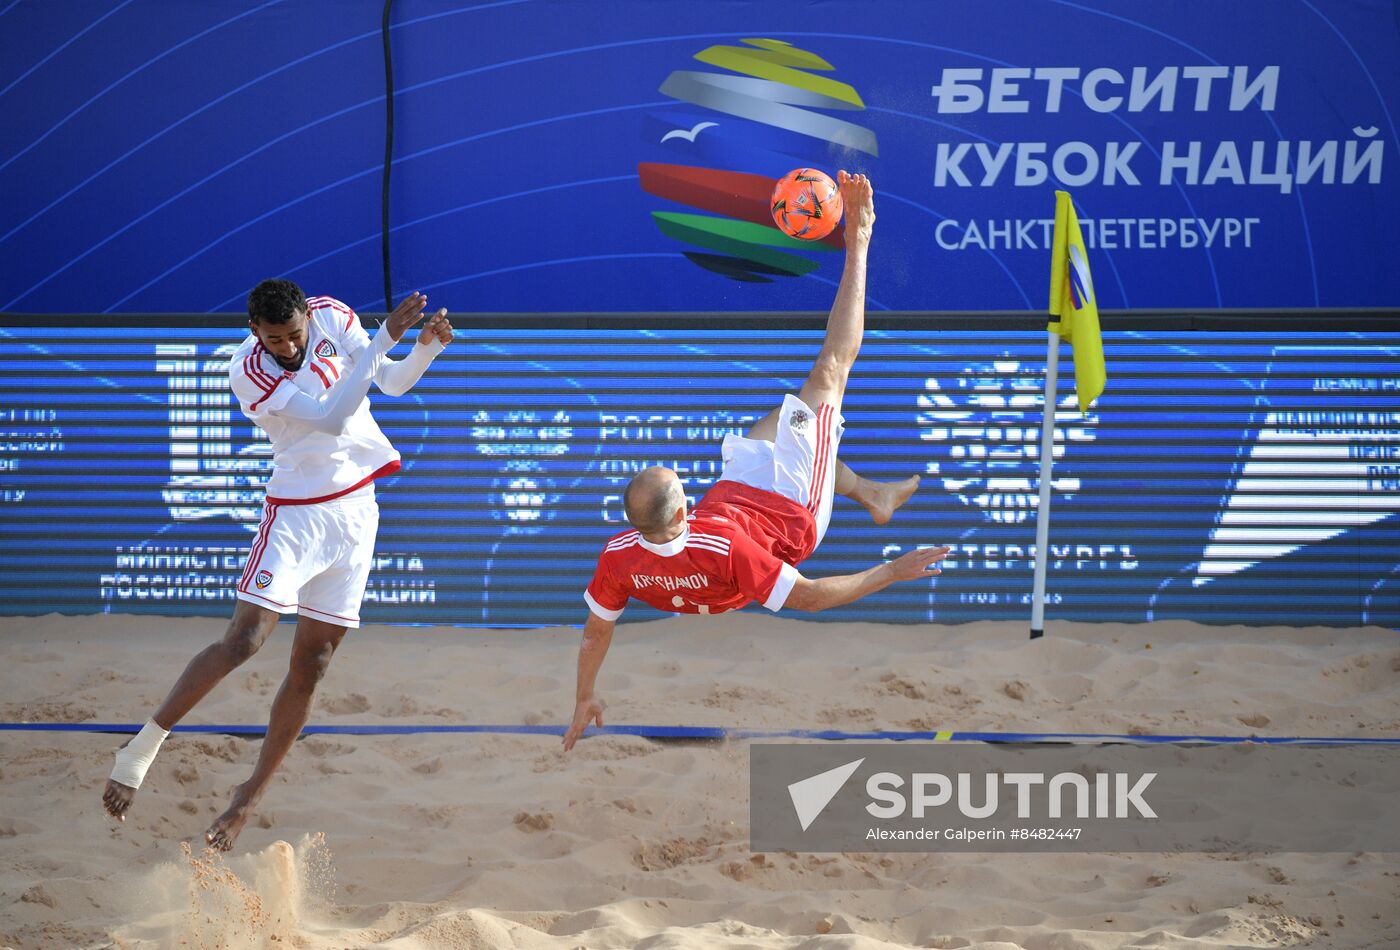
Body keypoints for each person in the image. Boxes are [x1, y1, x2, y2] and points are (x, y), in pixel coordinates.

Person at [563, 172, 950, 752]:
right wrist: (893, 572)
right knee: (829, 372)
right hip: (792, 513)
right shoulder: (726, 551)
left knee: (784, 417)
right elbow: (813, 598)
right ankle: (861, 239)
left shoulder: (620, 556)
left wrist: (583, 697)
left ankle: (871, 493)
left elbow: (596, 634)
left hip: (739, 496)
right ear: (686, 508)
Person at [101, 280, 453, 850]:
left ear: (305, 319)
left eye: (294, 336)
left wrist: (423, 349)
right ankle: (142, 746)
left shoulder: (333, 316)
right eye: (274, 339)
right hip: (296, 514)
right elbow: (333, 418)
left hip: (358, 513)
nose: (288, 347)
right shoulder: (249, 369)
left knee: (313, 663)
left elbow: (386, 381)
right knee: (243, 641)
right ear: (253, 331)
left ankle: (247, 798)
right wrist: (385, 336)